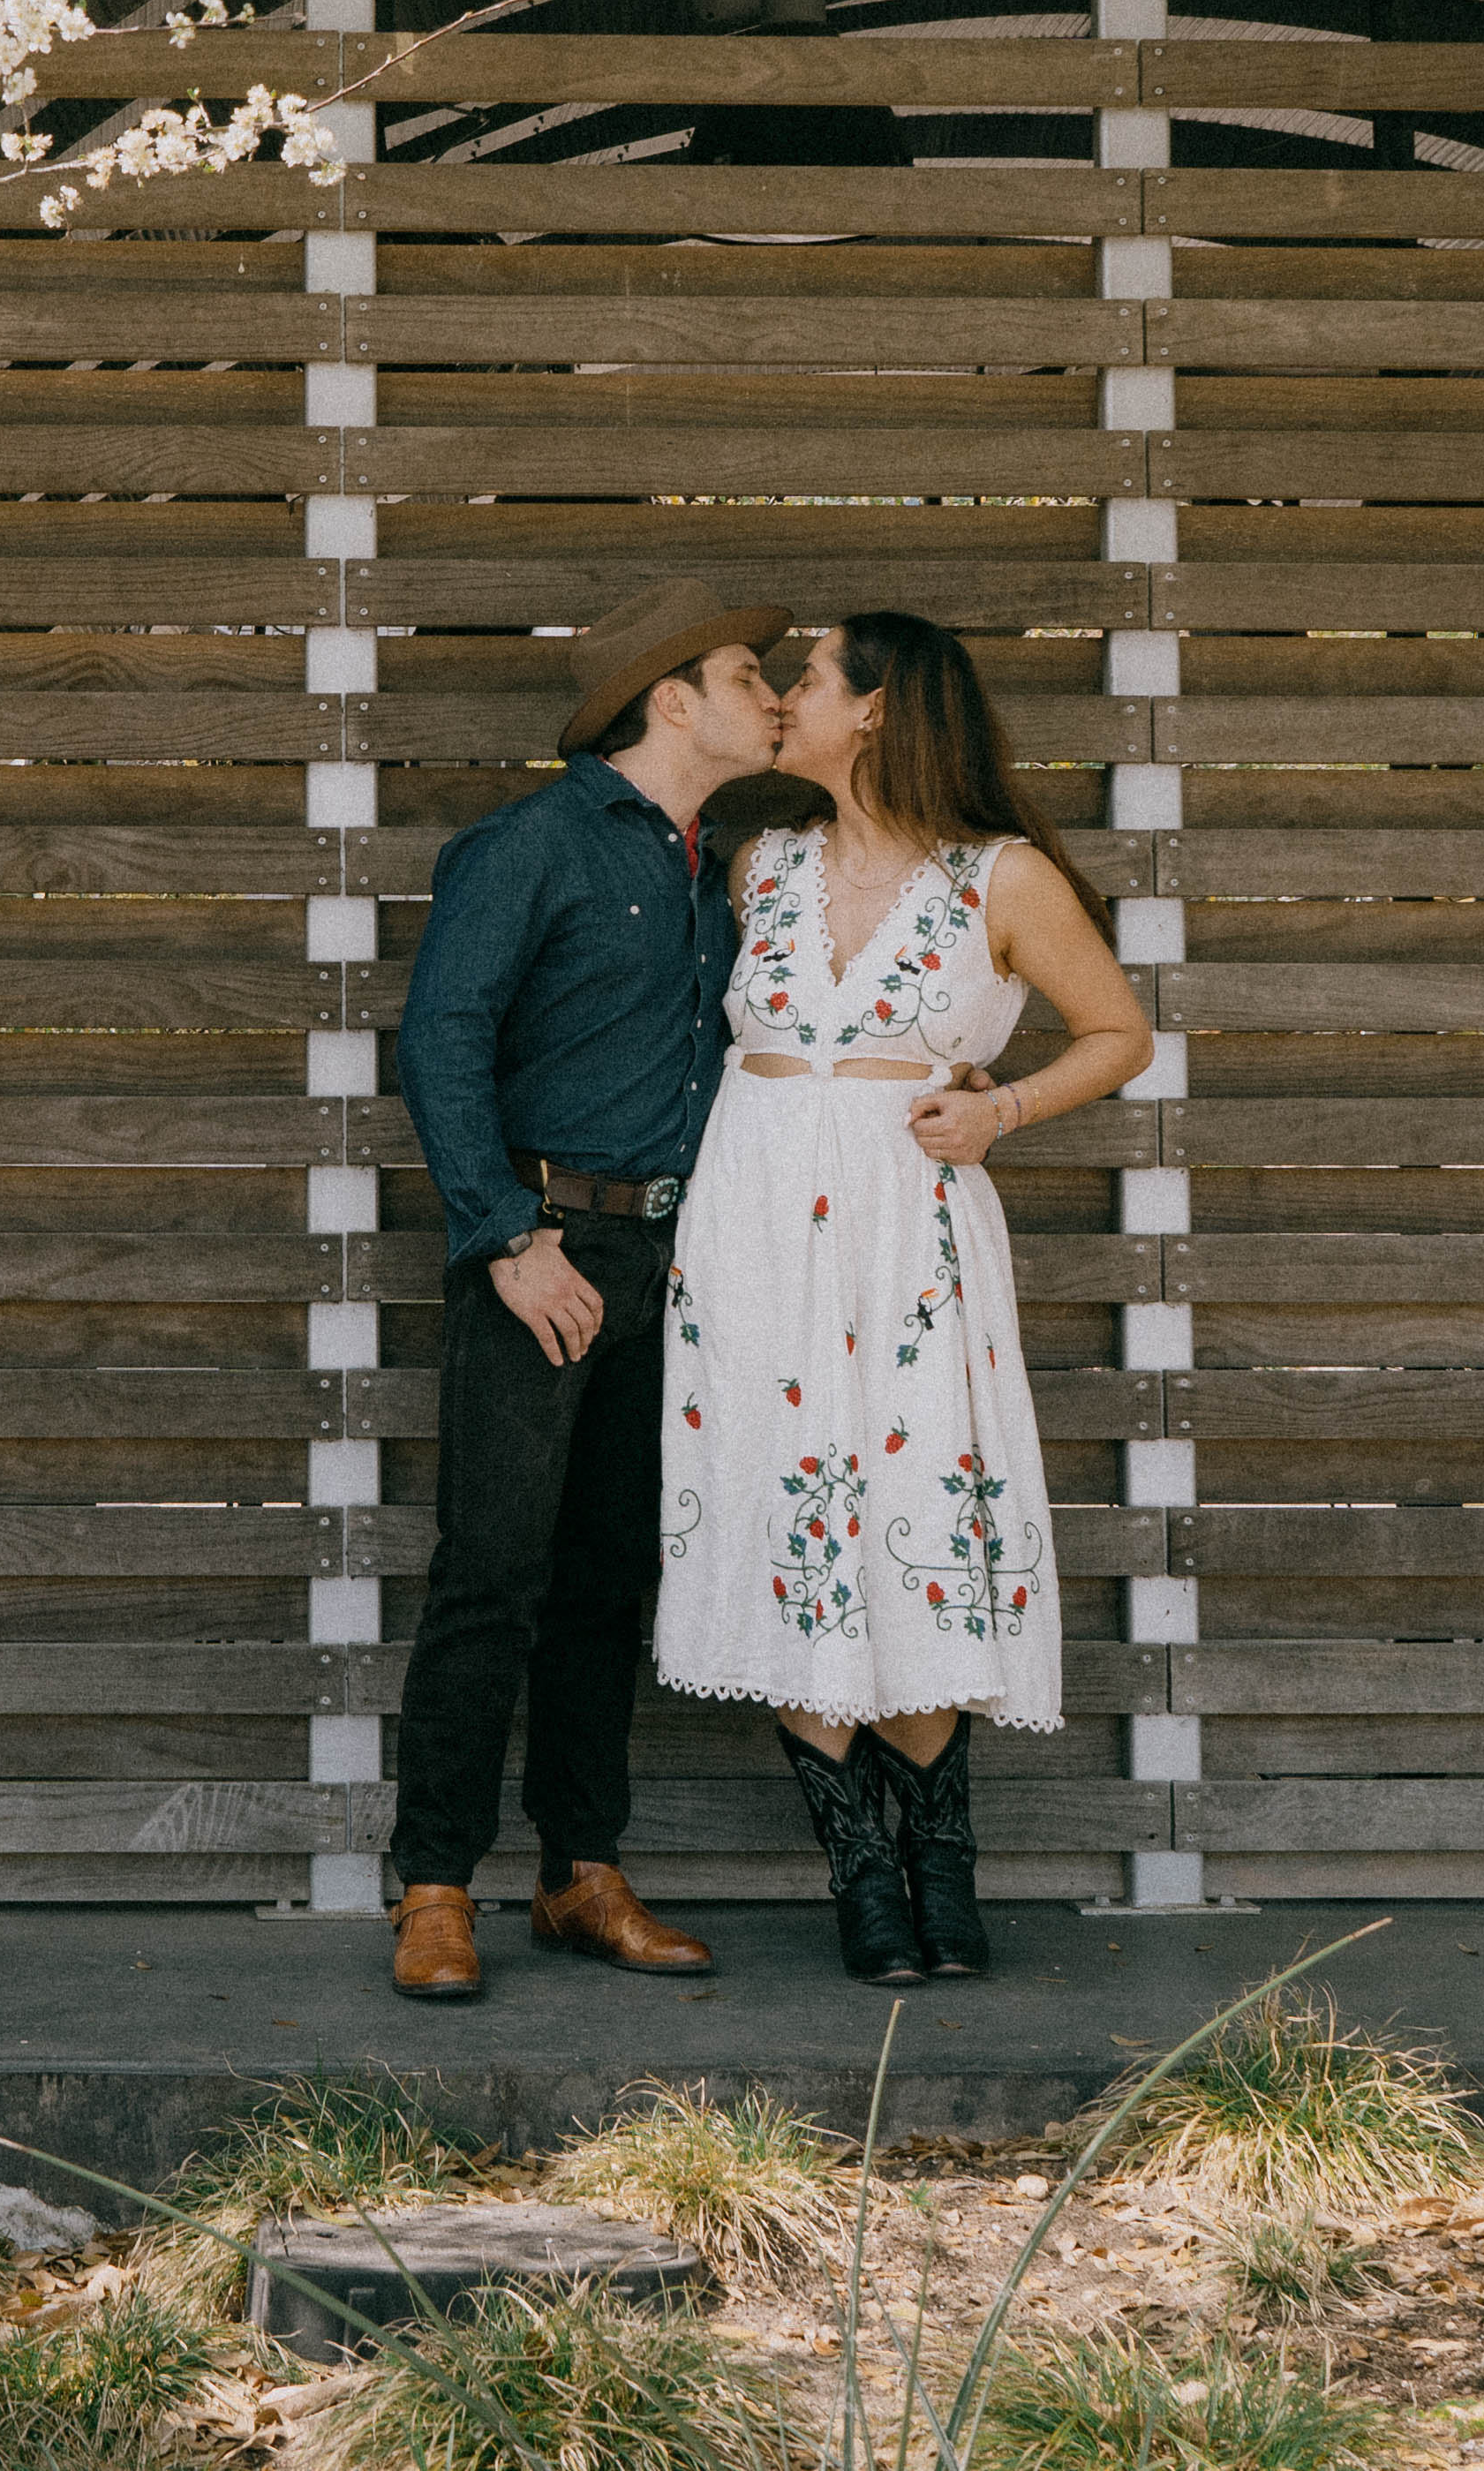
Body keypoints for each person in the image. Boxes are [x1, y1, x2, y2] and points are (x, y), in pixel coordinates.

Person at [655, 610, 1157, 1985]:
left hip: (908, 1232)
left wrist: (1004, 1109)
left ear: (873, 710)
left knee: (919, 1511)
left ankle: (940, 1853)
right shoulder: (762, 865)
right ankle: (861, 1874)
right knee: (782, 1507)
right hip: (752, 1229)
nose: (785, 702)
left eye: (806, 680)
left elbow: (1120, 1033)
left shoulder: (1003, 880)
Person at [378, 576, 792, 2003]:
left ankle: (578, 1876)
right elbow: (439, 1043)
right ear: (671, 698)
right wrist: (507, 1238)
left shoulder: (723, 866)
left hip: (679, 1264)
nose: (775, 696)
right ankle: (435, 1890)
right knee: (492, 1573)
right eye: (750, 674)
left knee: (612, 1577)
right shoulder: (531, 845)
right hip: (543, 1251)